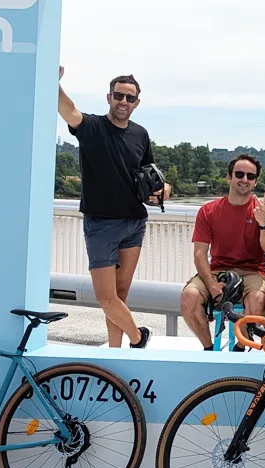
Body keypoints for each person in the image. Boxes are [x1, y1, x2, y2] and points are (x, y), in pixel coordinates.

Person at [57, 66, 170, 348]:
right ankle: (138, 337)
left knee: (120, 294)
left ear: (137, 103)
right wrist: (53, 83)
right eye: (119, 95)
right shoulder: (92, 127)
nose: (124, 102)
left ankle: (115, 352)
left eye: (129, 98)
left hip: (134, 223)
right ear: (109, 97)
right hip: (101, 223)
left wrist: (164, 191)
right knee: (106, 297)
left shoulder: (141, 135)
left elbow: (152, 174)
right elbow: (69, 111)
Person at [181, 154, 265, 350]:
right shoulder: (209, 210)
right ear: (229, 177)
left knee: (257, 299)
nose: (244, 180)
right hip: (218, 269)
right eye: (239, 174)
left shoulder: (264, 211)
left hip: (252, 271)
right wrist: (211, 284)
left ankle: (239, 349)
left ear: (255, 181)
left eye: (250, 176)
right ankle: (210, 350)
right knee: (189, 297)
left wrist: (264, 224)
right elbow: (200, 253)